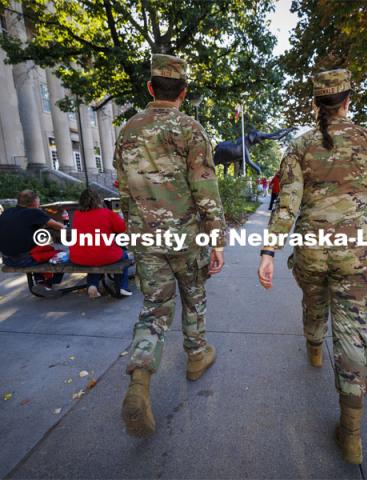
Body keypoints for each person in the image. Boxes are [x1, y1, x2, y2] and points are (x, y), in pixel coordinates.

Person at [257, 69, 367, 465]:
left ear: (316, 104)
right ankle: (351, 434)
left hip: (313, 248)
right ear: (348, 101)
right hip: (357, 250)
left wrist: (268, 251)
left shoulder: (300, 146)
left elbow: (288, 204)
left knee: (314, 299)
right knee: (352, 327)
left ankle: (315, 348)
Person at [114, 53, 226, 438]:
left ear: (150, 88)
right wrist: (217, 239)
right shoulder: (191, 129)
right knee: (194, 295)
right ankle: (196, 356)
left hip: (146, 236)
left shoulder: (128, 130)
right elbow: (205, 188)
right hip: (185, 235)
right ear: (183, 91)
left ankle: (140, 381)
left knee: (153, 308)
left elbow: (123, 189)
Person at [0, 190, 65, 297]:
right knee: (61, 255)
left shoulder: (8, 212)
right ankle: (48, 284)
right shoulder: (34, 212)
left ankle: (40, 281)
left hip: (7, 259)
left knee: (43, 248)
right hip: (23, 259)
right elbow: (60, 226)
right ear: (34, 201)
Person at [69, 188, 131, 298]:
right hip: (103, 255)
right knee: (123, 256)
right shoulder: (106, 213)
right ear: (98, 200)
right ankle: (122, 287)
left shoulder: (77, 215)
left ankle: (92, 285)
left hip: (79, 256)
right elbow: (122, 228)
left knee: (93, 259)